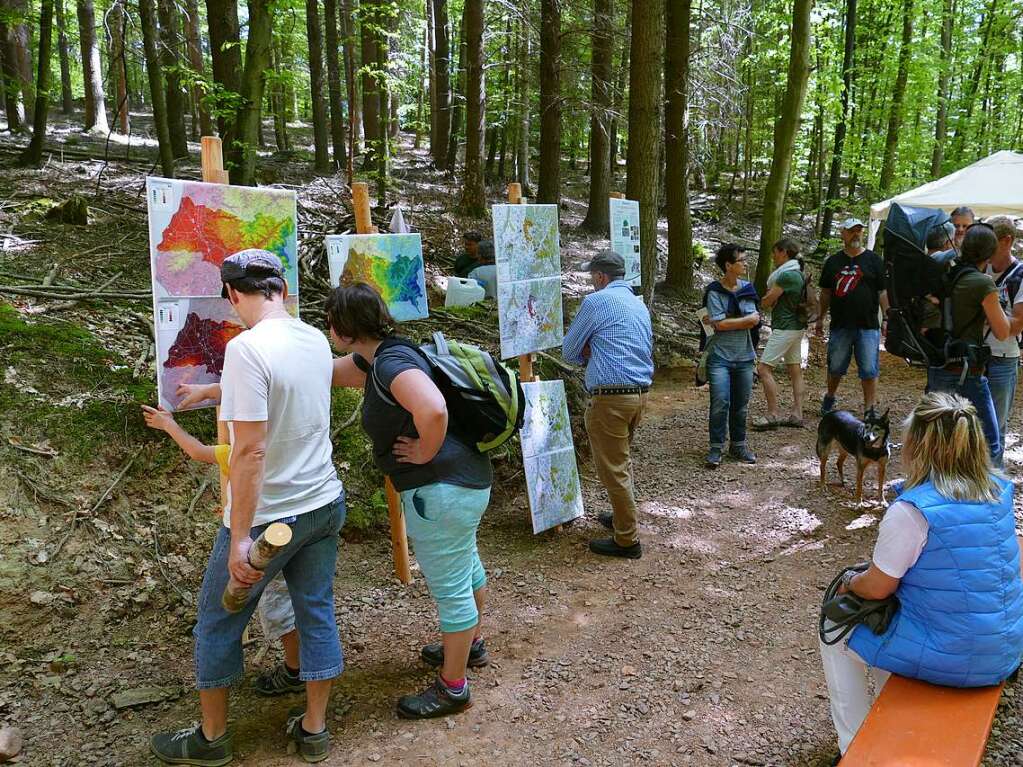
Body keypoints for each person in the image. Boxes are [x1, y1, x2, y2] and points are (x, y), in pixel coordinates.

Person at [149, 250, 345, 766]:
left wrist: (240, 537)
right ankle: (314, 729)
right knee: (316, 610)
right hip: (324, 501)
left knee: (217, 620)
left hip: (271, 517)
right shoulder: (312, 338)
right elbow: (290, 393)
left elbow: (250, 451)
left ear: (234, 295)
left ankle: (212, 739)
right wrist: (214, 391)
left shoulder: (246, 348)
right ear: (281, 290)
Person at [818, 392, 1023, 757]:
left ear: (919, 446)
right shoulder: (999, 490)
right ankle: (889, 715)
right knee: (891, 622)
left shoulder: (913, 510)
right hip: (1003, 650)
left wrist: (849, 581)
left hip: (958, 657)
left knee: (836, 628)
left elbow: (878, 587)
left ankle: (855, 747)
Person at [327, 283, 493, 718]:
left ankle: (453, 686)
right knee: (466, 565)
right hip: (465, 482)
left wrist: (425, 450)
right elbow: (330, 371)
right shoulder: (387, 354)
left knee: (452, 587)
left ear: (343, 329)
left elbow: (434, 409)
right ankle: (471, 645)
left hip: (440, 490)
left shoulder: (391, 364)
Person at [142, 393, 309, 699]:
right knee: (301, 603)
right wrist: (207, 391)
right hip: (302, 523)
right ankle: (302, 668)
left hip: (263, 534)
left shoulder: (237, 452)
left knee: (276, 607)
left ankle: (295, 669)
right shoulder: (290, 447)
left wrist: (169, 425)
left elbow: (196, 451)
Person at [562, 249, 653, 559]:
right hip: (639, 395)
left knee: (614, 470)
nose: (591, 282)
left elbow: (569, 351)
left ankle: (627, 540)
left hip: (611, 398)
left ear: (600, 277)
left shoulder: (596, 302)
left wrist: (592, 352)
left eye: (592, 277)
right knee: (621, 462)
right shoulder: (638, 304)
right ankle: (620, 518)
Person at [926, 224, 1011, 463]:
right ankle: (989, 496)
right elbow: (1003, 331)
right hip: (968, 372)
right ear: (990, 253)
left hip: (938, 365)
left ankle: (930, 492)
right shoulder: (982, 283)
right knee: (990, 443)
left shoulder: (947, 274)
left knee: (937, 439)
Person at [816, 218, 889, 417]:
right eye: (851, 231)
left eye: (859, 231)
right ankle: (830, 396)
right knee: (836, 366)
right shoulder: (833, 262)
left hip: (868, 325)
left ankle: (869, 408)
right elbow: (825, 293)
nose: (856, 234)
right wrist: (820, 318)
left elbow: (882, 292)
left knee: (869, 368)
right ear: (843, 233)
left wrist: (887, 317)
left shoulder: (874, 260)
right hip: (840, 324)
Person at [702, 244, 759, 468]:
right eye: (741, 260)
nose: (745, 264)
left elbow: (754, 319)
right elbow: (720, 324)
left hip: (744, 356)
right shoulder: (714, 291)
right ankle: (716, 447)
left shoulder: (747, 288)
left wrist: (726, 320)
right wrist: (734, 321)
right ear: (728, 265)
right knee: (720, 402)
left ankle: (738, 445)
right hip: (719, 357)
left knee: (741, 404)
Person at [753, 237, 806, 429]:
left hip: (785, 328)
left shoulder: (786, 276)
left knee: (763, 369)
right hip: (797, 327)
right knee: (795, 370)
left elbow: (767, 302)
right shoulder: (799, 273)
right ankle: (797, 413)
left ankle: (773, 414)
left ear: (784, 252)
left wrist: (763, 300)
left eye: (775, 252)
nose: (773, 257)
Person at [983, 216, 1023, 461]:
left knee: (995, 427)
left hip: (1002, 359)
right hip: (972, 355)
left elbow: (1017, 325)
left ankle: (993, 484)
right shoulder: (977, 267)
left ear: (1006, 241)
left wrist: (989, 311)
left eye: (989, 242)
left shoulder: (1020, 275)